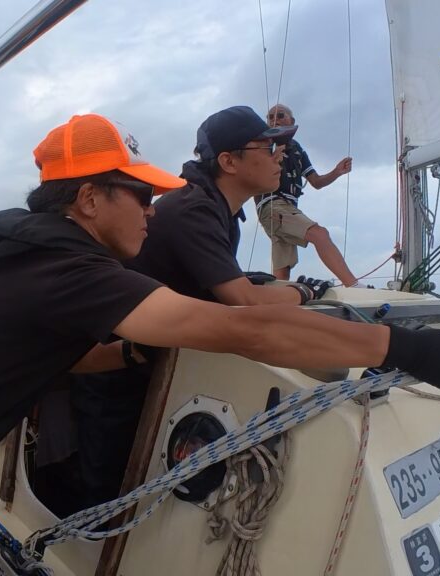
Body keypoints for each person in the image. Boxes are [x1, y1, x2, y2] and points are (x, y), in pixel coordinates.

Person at [0, 113, 440, 575]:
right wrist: (405, 349)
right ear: (89, 199)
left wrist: (132, 354)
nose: (150, 210)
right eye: (139, 195)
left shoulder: (29, 247)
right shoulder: (72, 271)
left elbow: (62, 354)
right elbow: (243, 326)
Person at [72, 105, 325, 510]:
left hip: (152, 363)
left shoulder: (219, 210)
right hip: (117, 373)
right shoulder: (195, 209)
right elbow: (243, 300)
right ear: (229, 161)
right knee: (108, 494)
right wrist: (305, 293)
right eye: (268, 148)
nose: (281, 157)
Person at [255, 103, 358, 286]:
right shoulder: (264, 145)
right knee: (320, 234)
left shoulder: (297, 149)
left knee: (283, 269)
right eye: (270, 117)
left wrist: (336, 172)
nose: (274, 119)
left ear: (292, 120)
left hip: (285, 209)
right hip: (273, 205)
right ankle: (353, 285)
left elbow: (316, 182)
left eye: (280, 115)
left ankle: (277, 298)